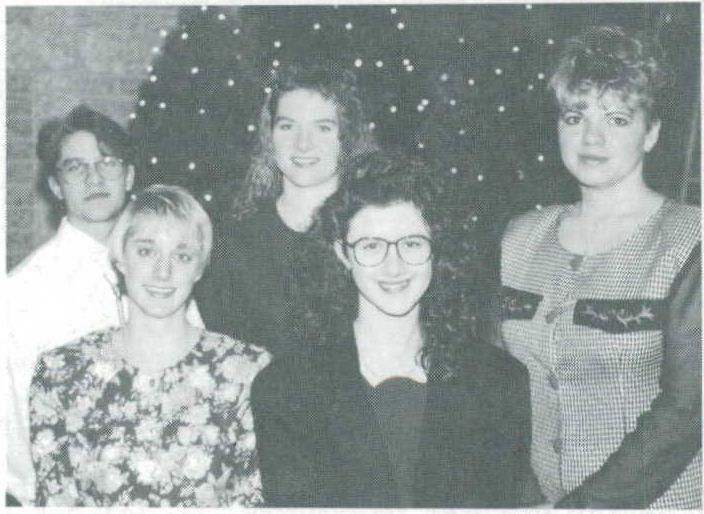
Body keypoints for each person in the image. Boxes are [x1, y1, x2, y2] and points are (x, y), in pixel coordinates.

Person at [251, 157, 534, 507]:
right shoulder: (287, 388)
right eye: (371, 246)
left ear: (436, 250)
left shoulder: (499, 381)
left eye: (412, 243)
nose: (394, 266)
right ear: (342, 254)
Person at [500, 25, 701, 508]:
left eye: (617, 118)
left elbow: (689, 410)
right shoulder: (519, 239)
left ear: (651, 132)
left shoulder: (689, 239)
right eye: (575, 117)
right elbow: (499, 385)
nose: (591, 136)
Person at [29, 185, 270, 507]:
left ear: (200, 268)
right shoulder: (61, 374)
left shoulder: (245, 372)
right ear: (120, 257)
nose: (163, 271)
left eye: (182, 256)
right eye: (146, 251)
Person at [195, 62, 376, 357]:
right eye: (287, 126)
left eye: (323, 127)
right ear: (270, 136)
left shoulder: (376, 238)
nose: (303, 144)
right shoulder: (231, 245)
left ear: (348, 137)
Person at [6, 105, 135, 506]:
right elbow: (11, 430)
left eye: (107, 163)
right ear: (56, 186)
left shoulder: (161, 274)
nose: (94, 178)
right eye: (75, 168)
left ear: (129, 176)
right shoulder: (22, 292)